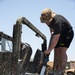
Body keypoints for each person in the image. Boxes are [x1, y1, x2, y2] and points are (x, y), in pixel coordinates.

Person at [40, 8, 74, 73]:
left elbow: (56, 38)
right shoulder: (48, 20)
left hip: (67, 34)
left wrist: (49, 50)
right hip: (58, 34)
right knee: (56, 50)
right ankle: (55, 70)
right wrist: (50, 47)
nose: (46, 23)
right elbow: (52, 32)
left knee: (62, 50)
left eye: (46, 21)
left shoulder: (57, 21)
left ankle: (61, 71)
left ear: (50, 18)